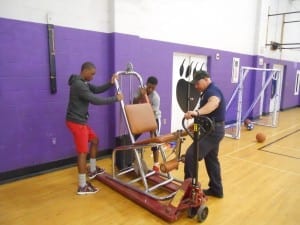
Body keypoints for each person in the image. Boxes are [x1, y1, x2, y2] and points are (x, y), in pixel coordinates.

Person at [66, 62, 123, 195]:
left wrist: (110, 83)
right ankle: (82, 186)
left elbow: (96, 90)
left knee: (95, 140)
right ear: (85, 71)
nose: (92, 77)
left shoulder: (83, 82)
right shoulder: (79, 85)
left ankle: (92, 170)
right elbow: (94, 100)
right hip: (76, 122)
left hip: (81, 121)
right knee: (82, 153)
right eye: (91, 74)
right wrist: (115, 98)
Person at [184, 70, 226, 198]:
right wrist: (193, 126)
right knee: (211, 159)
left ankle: (189, 191)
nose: (196, 86)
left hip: (212, 132)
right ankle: (216, 189)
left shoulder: (212, 91)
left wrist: (196, 112)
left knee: (191, 155)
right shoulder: (206, 92)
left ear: (206, 79)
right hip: (210, 129)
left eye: (197, 83)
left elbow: (214, 103)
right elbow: (205, 115)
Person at [133, 76, 161, 172]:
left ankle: (156, 164)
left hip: (154, 118)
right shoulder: (140, 90)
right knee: (133, 137)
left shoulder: (156, 97)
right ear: (146, 84)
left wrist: (145, 98)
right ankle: (132, 160)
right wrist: (141, 95)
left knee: (154, 140)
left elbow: (150, 112)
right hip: (142, 117)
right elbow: (134, 103)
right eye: (149, 87)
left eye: (153, 88)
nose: (150, 89)